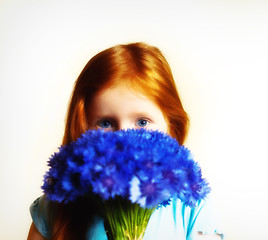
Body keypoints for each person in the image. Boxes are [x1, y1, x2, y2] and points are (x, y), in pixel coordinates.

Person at [28, 42, 220, 240]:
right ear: (83, 128)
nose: (123, 137)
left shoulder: (193, 208)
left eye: (142, 122)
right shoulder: (54, 208)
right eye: (105, 123)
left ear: (173, 127)